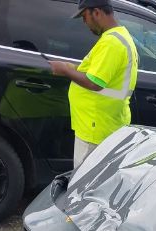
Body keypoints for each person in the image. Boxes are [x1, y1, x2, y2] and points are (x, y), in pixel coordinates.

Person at [49, 0, 138, 168]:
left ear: (96, 12)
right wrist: (74, 68)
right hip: (101, 122)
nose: (85, 23)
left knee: (84, 184)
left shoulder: (111, 43)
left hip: (96, 126)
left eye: (84, 17)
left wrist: (65, 70)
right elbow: (99, 74)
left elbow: (95, 83)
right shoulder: (118, 37)